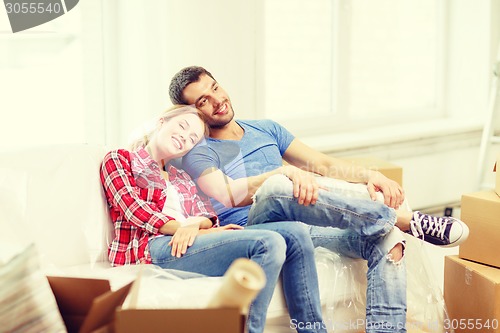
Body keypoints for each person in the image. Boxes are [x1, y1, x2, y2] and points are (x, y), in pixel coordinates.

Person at [168, 66, 470, 333]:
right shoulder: (197, 150)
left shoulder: (266, 129)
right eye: (202, 101)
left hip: (304, 222)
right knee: (276, 187)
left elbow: (322, 165)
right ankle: (404, 220)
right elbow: (229, 193)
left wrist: (370, 176)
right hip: (258, 228)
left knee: (389, 241)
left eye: (215, 88)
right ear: (191, 112)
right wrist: (283, 173)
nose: (216, 100)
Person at [99, 105, 328, 333]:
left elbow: (208, 216)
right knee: (269, 243)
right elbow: (135, 210)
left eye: (192, 139)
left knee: (295, 234)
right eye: (182, 126)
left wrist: (196, 225)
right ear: (162, 122)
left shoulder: (181, 177)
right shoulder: (120, 159)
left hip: (190, 238)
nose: (184, 138)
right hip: (153, 247)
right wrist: (187, 227)